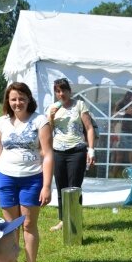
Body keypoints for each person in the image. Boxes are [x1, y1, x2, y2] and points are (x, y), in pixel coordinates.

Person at [0, 82, 53, 262]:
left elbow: (48, 155)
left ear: (29, 99)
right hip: (5, 178)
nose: (17, 102)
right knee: (11, 226)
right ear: (8, 101)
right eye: (13, 99)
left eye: (21, 98)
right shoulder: (1, 123)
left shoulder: (41, 121)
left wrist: (46, 185)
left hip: (32, 179)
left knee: (29, 224)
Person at [47, 78, 96, 232]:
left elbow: (89, 128)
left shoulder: (79, 105)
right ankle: (63, 221)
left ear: (69, 91)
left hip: (77, 151)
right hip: (58, 152)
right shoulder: (52, 109)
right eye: (58, 91)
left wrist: (91, 149)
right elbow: (46, 133)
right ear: (55, 93)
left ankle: (74, 220)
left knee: (74, 188)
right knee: (61, 188)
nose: (61, 94)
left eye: (64, 90)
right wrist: (51, 118)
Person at [110, 91, 132, 177]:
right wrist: (125, 112)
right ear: (130, 95)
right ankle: (113, 175)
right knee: (119, 157)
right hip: (122, 132)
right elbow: (114, 116)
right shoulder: (121, 103)